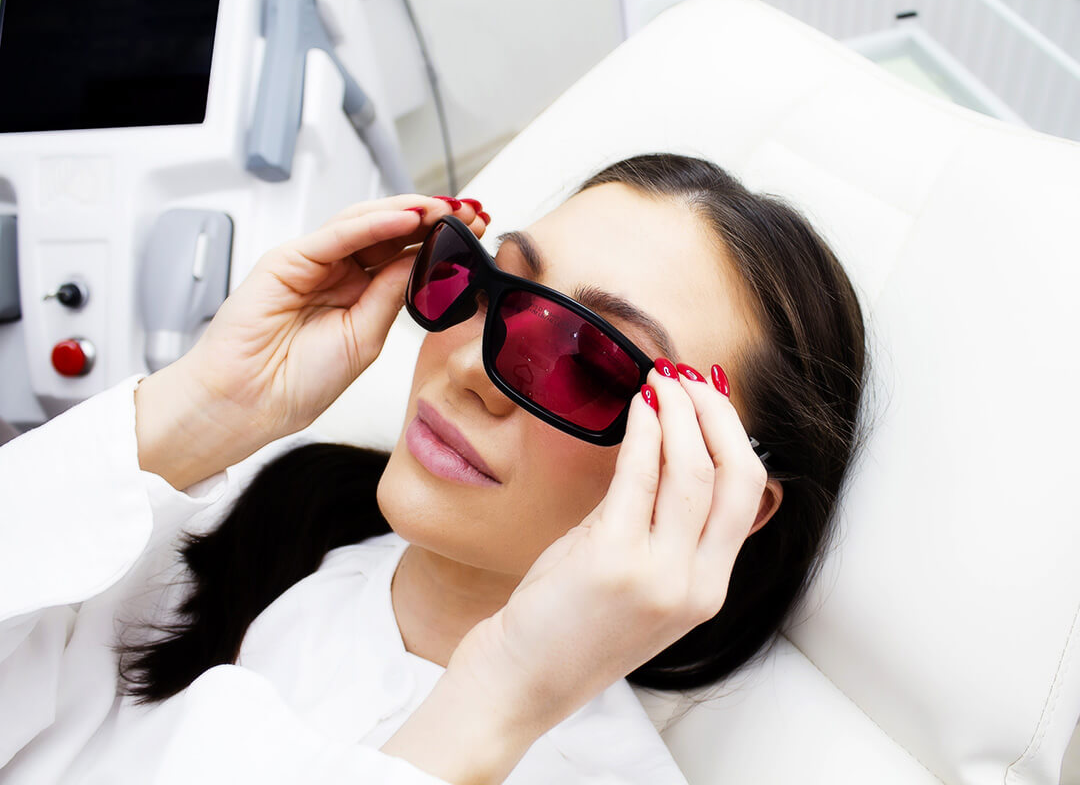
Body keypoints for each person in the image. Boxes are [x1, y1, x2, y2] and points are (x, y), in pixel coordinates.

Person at [0, 153, 867, 784]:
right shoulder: (221, 526)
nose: (466, 370)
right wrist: (194, 413)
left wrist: (497, 702)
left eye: (588, 359)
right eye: (485, 283)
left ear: (725, 496)